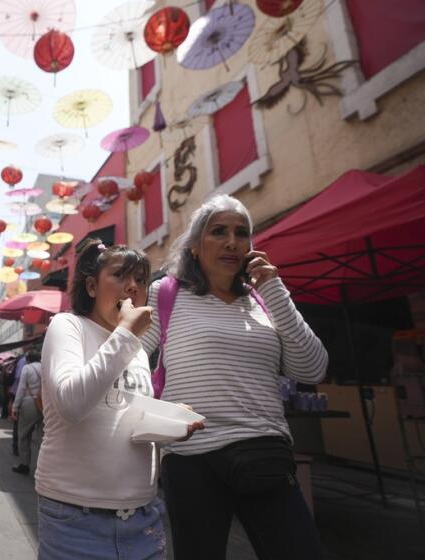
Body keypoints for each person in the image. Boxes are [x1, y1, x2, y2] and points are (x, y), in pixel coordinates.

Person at [141, 194, 328, 560]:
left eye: (242, 233)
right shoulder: (166, 294)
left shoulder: (263, 300)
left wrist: (273, 289)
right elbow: (130, 357)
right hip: (191, 457)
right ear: (195, 246)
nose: (232, 242)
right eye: (219, 231)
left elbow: (312, 368)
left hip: (264, 450)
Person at [36, 240, 203, 559]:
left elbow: (128, 417)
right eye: (120, 276)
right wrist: (126, 333)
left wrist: (170, 420)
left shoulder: (136, 349)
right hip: (75, 517)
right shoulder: (69, 326)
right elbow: (72, 405)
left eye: (141, 280)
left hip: (143, 515)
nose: (133, 287)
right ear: (92, 286)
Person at [10, 350, 42, 475]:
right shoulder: (45, 368)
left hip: (29, 403)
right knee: (42, 437)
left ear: (28, 359)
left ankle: (24, 464)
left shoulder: (27, 368)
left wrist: (15, 407)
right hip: (44, 404)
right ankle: (42, 467)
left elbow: (21, 388)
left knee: (23, 435)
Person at [9, 353, 27, 455]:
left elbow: (19, 380)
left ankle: (16, 447)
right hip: (35, 399)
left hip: (21, 396)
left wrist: (14, 407)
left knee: (18, 424)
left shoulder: (22, 363)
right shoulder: (40, 365)